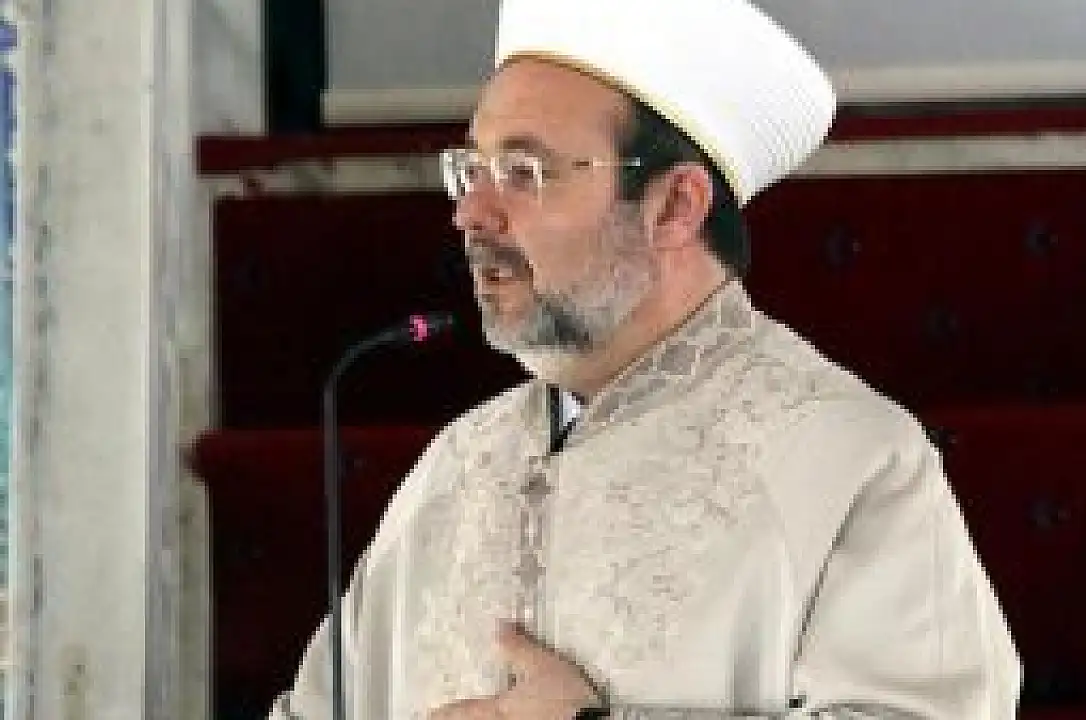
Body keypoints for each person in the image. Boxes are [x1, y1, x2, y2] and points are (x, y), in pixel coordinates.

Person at [269, 0, 1022, 718]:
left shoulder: (850, 459)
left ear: (675, 206)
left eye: (524, 172)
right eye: (472, 170)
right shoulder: (457, 464)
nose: (472, 213)